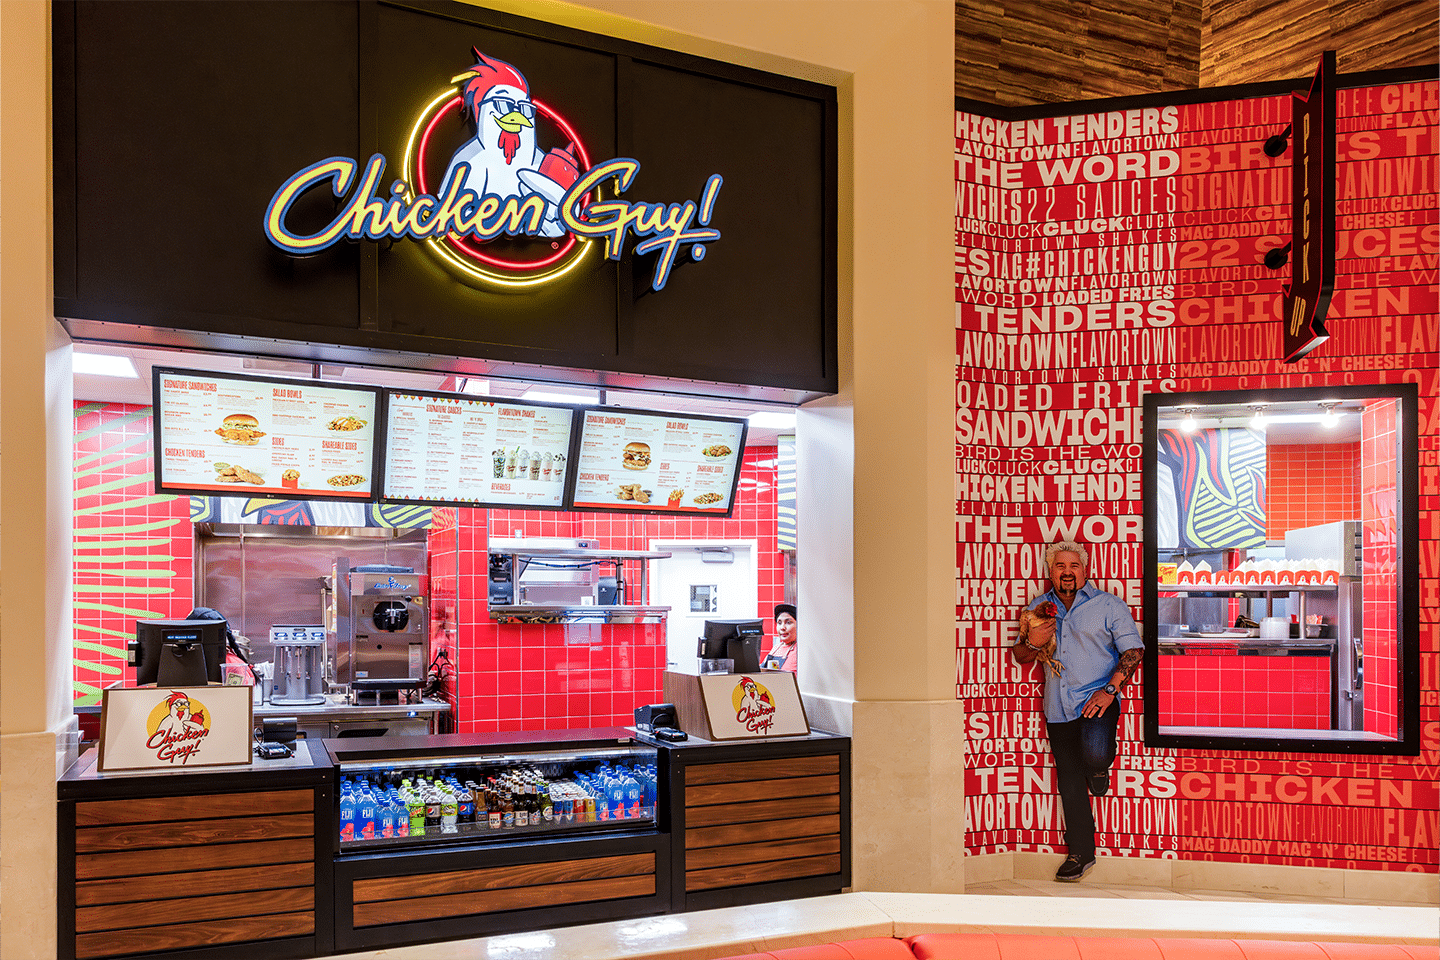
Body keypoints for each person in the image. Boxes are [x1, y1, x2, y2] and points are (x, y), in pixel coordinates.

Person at [1010, 540, 1142, 883]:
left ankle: (1098, 770)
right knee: (1069, 781)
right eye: (1059, 566)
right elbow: (1020, 656)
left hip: (1098, 699)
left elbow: (1133, 651)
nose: (1067, 572)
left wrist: (1110, 690)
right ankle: (1080, 854)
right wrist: (1032, 643)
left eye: (1073, 566)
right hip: (1058, 706)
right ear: (1050, 571)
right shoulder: (1037, 609)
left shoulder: (1108, 605)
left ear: (1085, 569)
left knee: (1096, 757)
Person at [762, 603, 798, 672]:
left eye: (788, 622)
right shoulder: (775, 648)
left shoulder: (800, 651)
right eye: (779, 623)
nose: (782, 628)